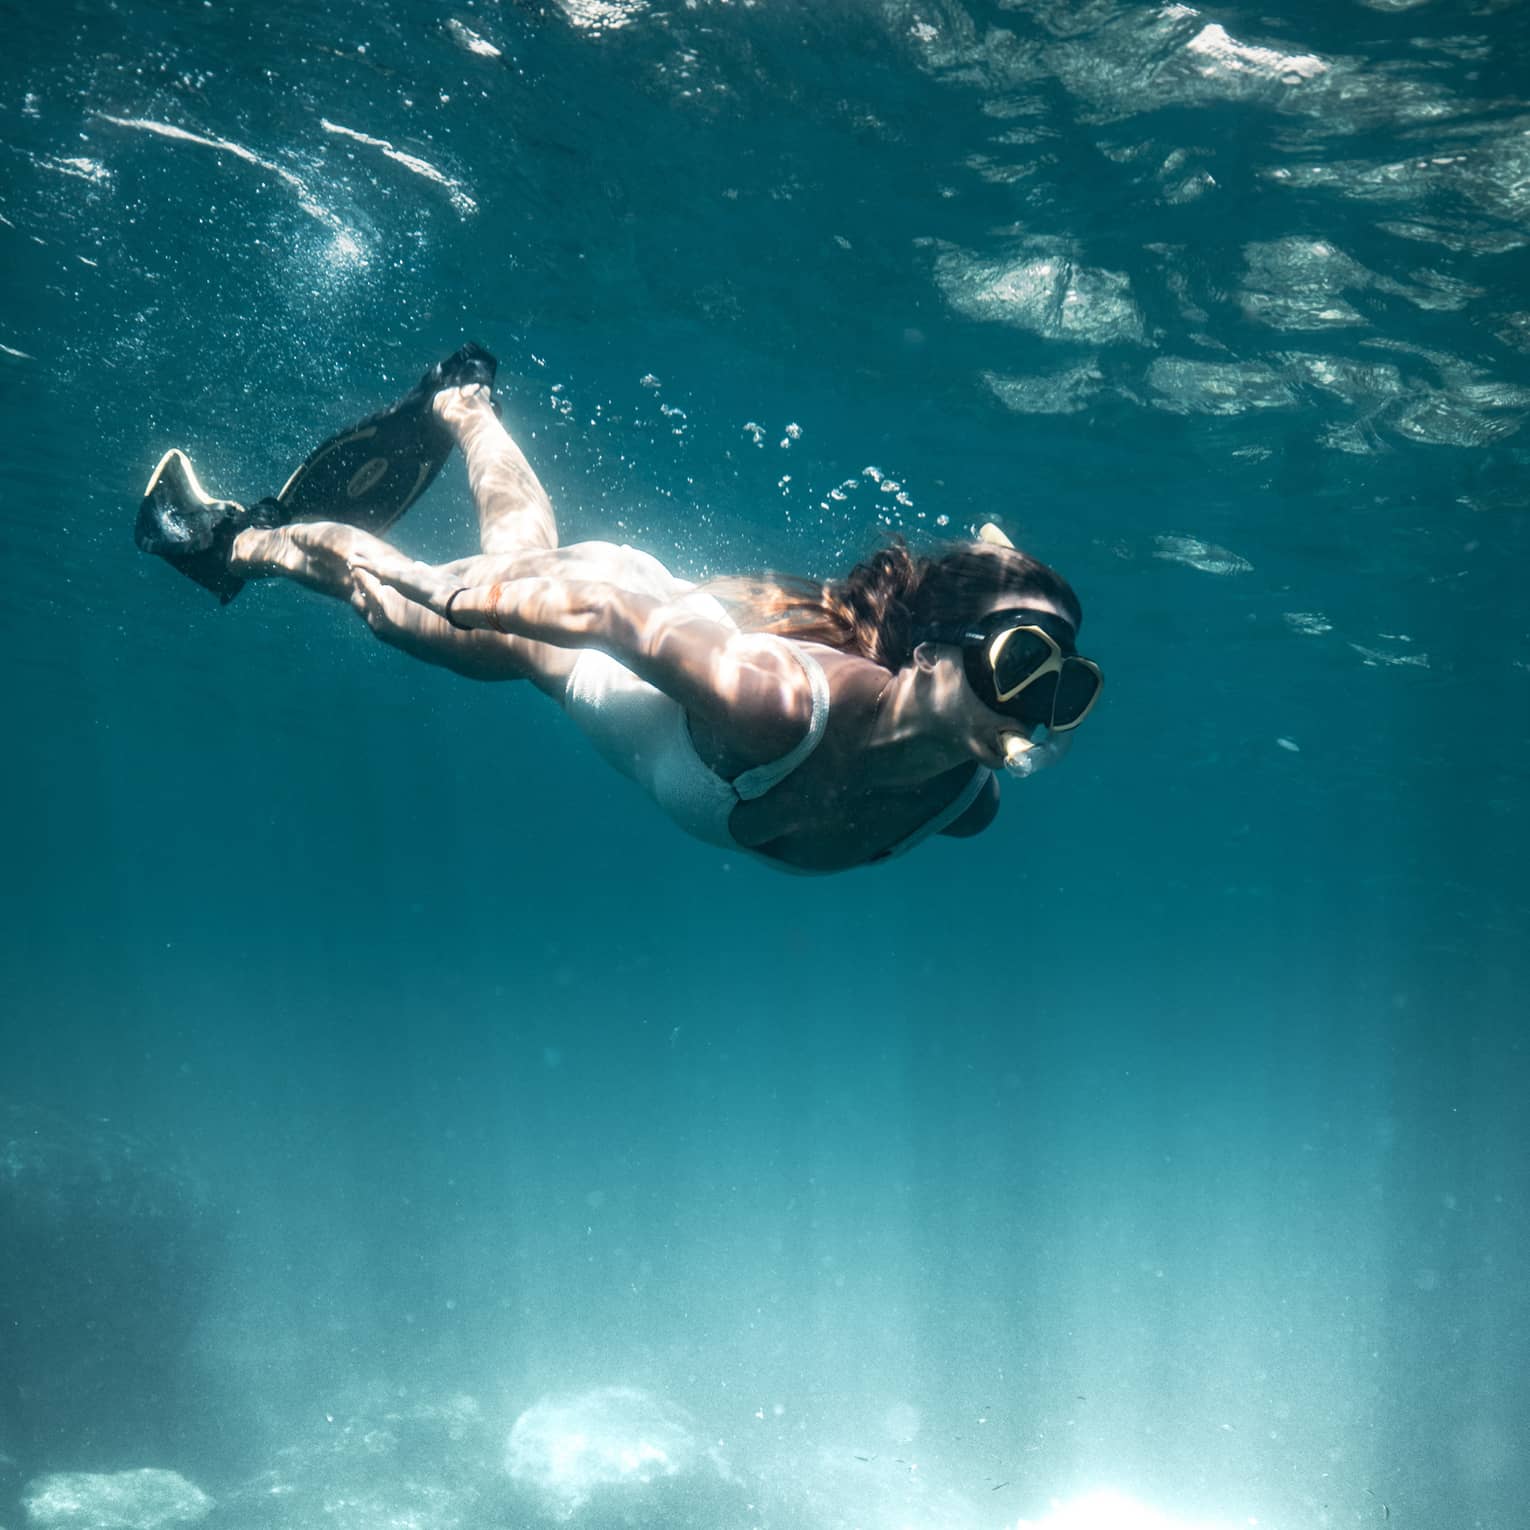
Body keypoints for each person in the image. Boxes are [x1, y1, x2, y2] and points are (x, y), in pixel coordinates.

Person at [136, 345, 1103, 874]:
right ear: (930, 656)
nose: (1033, 706)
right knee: (395, 608)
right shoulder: (778, 707)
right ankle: (228, 545)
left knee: (519, 552)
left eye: (1065, 690)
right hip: (598, 622)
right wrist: (449, 589)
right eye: (1021, 664)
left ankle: (463, 407)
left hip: (652, 615)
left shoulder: (963, 798)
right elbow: (603, 612)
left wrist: (998, 566)